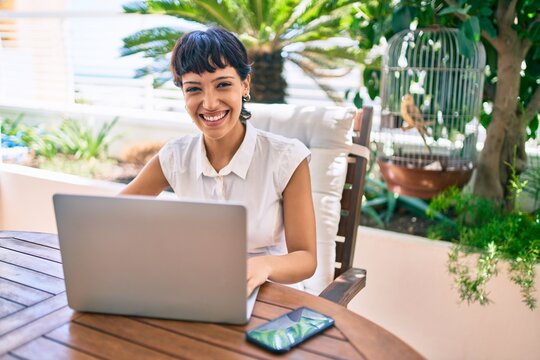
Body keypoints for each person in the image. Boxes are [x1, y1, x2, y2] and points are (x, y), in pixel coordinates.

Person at [120, 27, 316, 296]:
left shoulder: (287, 157)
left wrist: (264, 266)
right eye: (194, 89)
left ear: (245, 85)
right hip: (201, 290)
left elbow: (306, 258)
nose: (209, 103)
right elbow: (114, 215)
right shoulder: (175, 156)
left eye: (223, 84)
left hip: (274, 297)